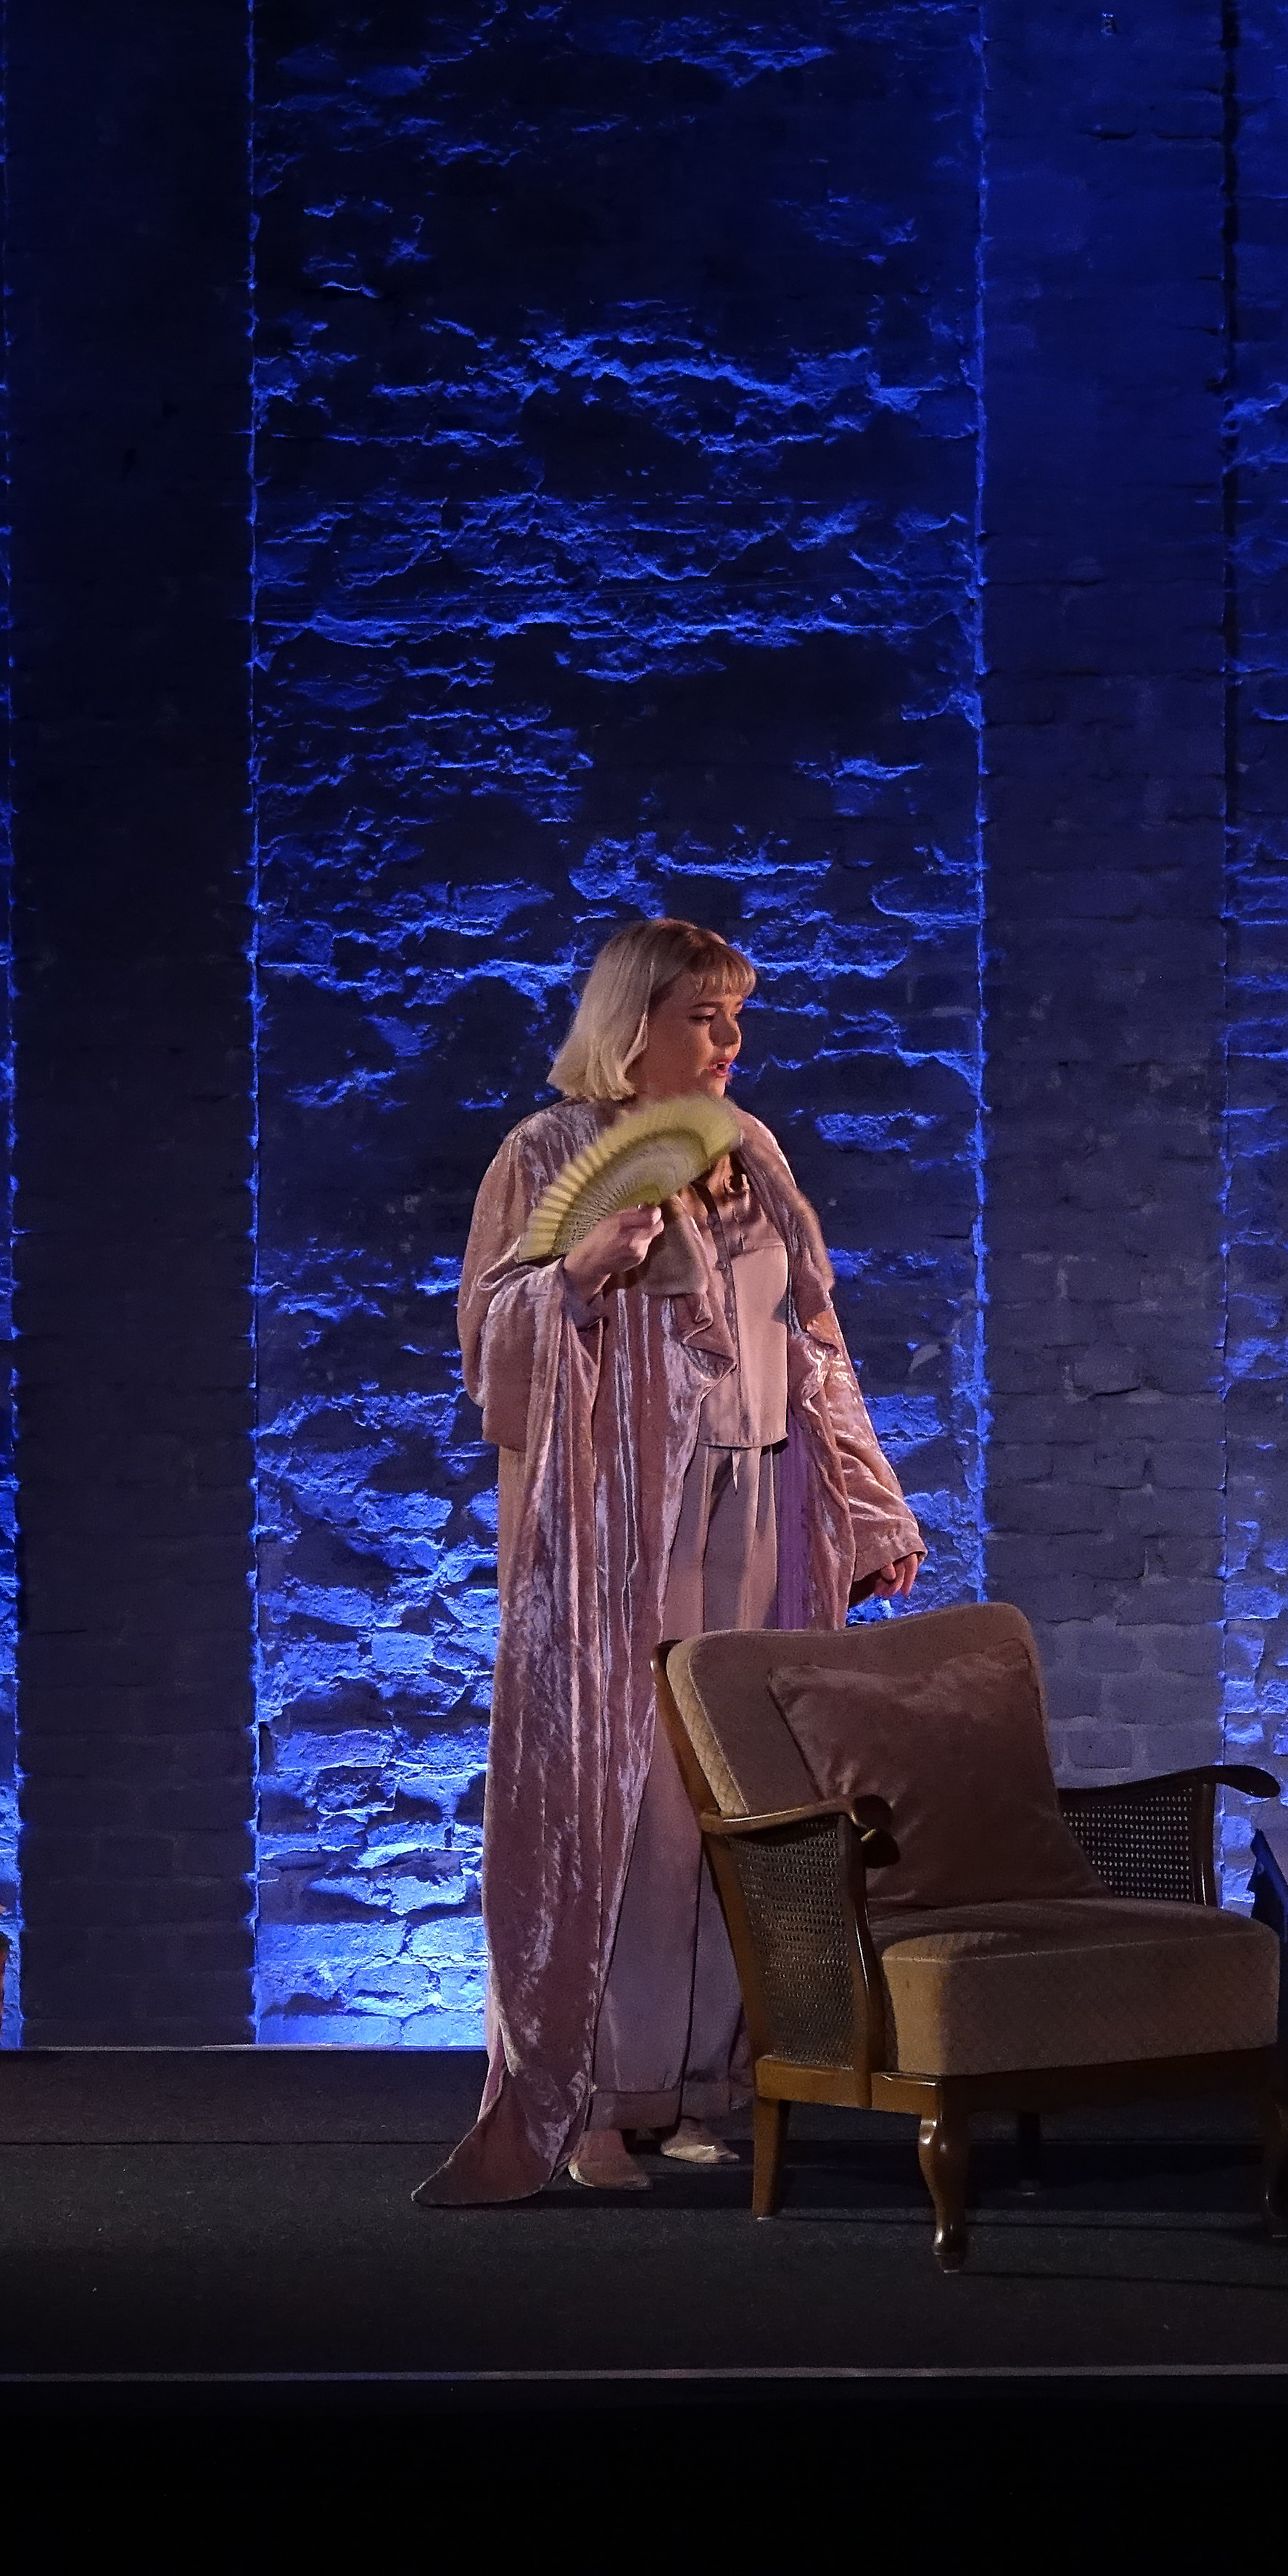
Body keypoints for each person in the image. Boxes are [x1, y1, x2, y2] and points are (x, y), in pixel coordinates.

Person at [418, 919, 925, 2204]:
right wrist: (576, 1278)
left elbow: (814, 1340)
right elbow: (490, 1354)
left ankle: (705, 2082)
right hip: (624, 1524)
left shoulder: (749, 1151)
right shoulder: (546, 1152)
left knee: (735, 1798)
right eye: (705, 1015)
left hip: (763, 1502)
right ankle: (590, 2094)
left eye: (736, 1015)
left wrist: (874, 1508)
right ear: (633, 1022)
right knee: (622, 1800)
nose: (730, 1040)